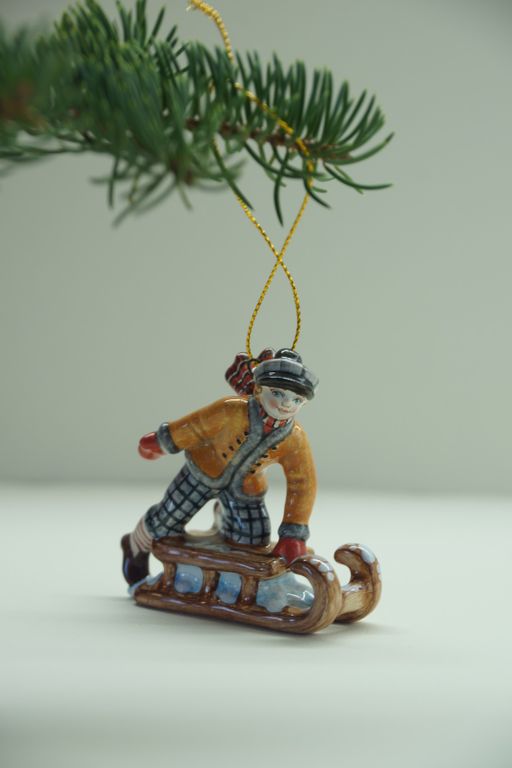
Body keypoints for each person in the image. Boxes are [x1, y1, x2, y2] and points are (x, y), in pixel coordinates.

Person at [121, 348, 319, 586]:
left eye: (297, 400)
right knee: (166, 520)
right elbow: (196, 426)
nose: (286, 404)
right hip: (201, 474)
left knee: (253, 540)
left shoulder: (295, 438)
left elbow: (302, 483)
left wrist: (294, 532)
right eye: (277, 393)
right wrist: (162, 442)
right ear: (258, 389)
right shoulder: (231, 409)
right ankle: (135, 545)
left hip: (245, 490)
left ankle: (226, 567)